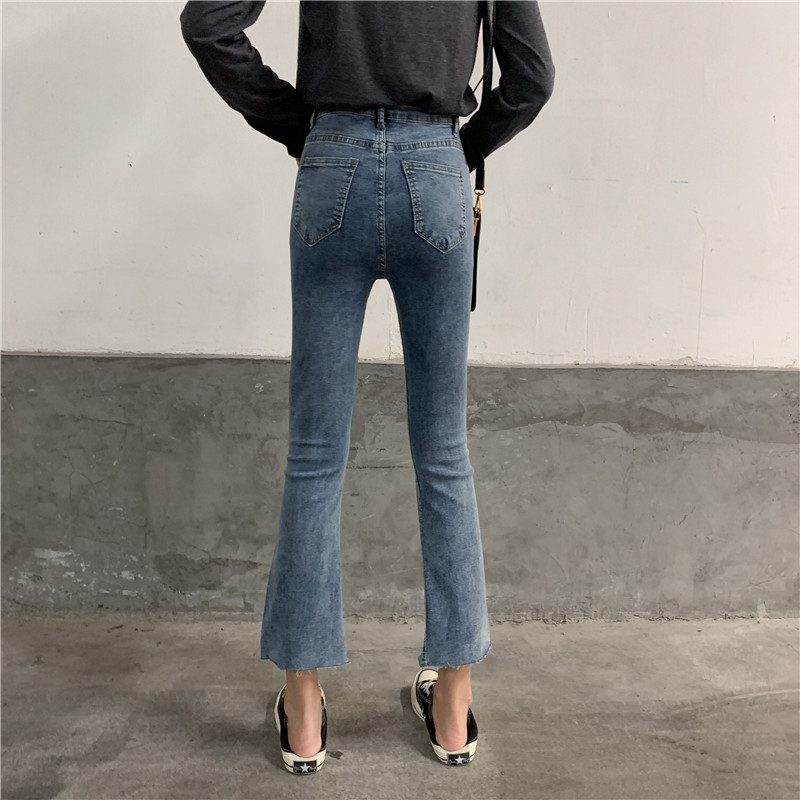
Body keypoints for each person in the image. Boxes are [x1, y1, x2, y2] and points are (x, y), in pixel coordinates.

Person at [180, 0, 555, 774]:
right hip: (435, 169)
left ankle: (303, 714)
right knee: (443, 453)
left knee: (315, 454)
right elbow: (532, 77)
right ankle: (452, 708)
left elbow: (208, 21)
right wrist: (455, 151)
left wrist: (301, 125)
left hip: (334, 166)